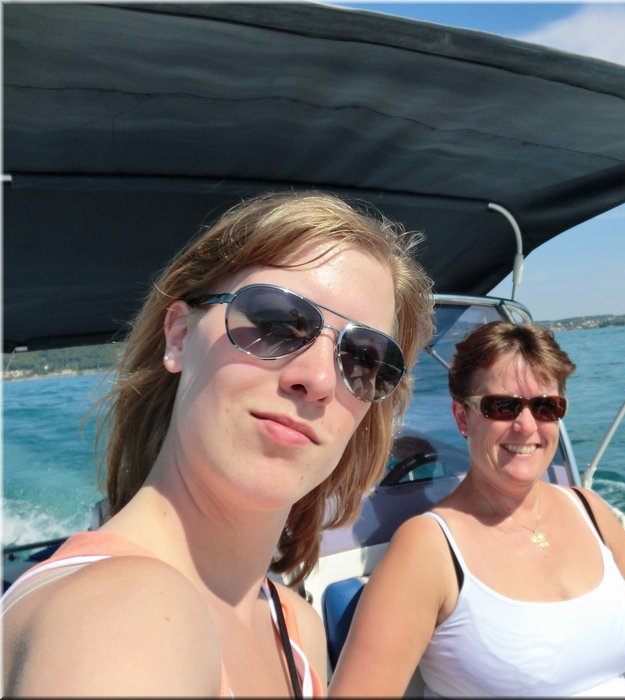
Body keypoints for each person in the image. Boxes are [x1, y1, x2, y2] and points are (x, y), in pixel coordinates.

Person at [1, 191, 434, 697]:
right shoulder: (123, 615)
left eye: (363, 358)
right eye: (275, 323)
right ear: (179, 336)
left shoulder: (296, 626)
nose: (318, 379)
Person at [330, 321, 625, 697]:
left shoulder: (591, 511)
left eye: (546, 407)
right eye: (503, 406)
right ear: (462, 418)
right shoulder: (429, 548)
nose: (526, 426)